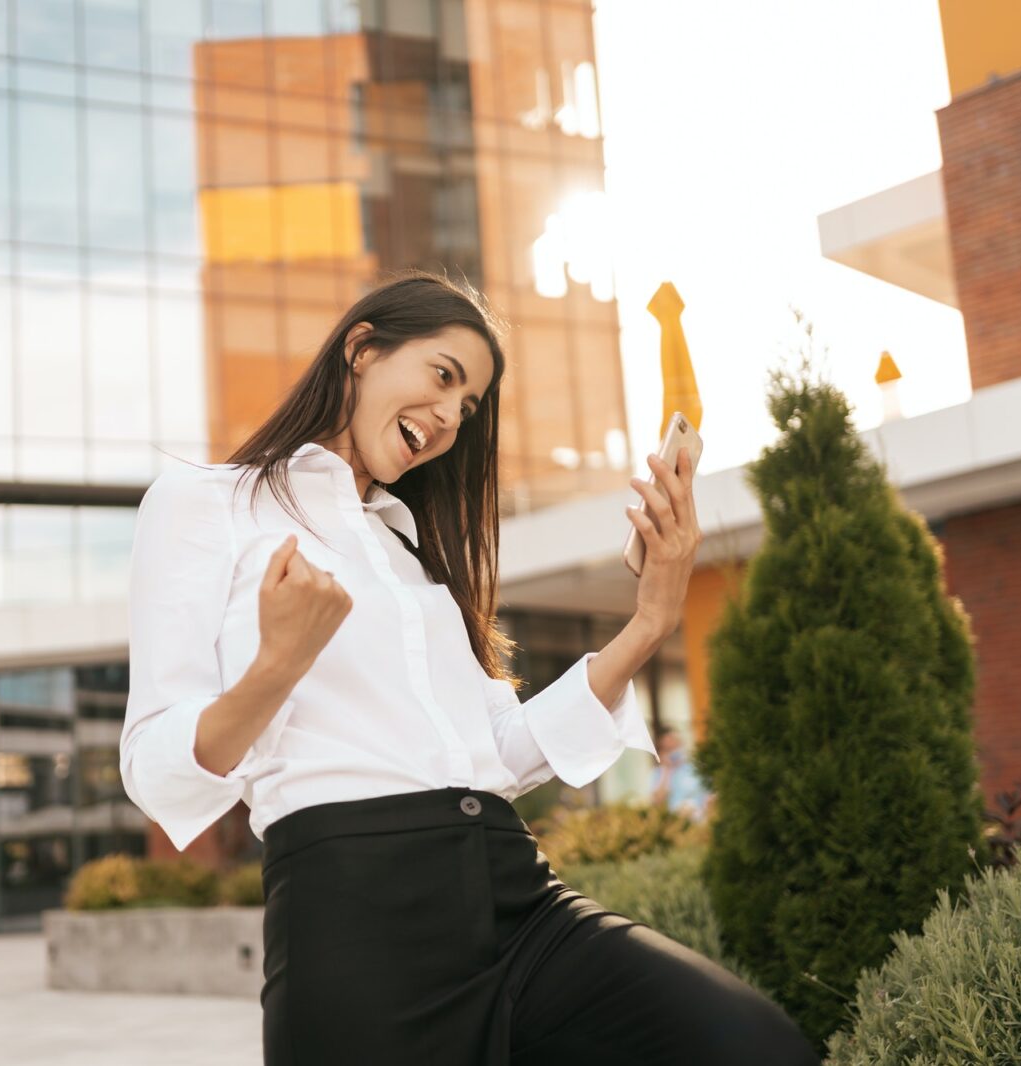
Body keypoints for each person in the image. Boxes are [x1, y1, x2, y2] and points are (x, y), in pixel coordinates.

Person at [119, 271, 819, 1065]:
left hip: (514, 896)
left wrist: (652, 620)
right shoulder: (205, 504)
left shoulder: (411, 554)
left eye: (469, 406)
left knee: (751, 1045)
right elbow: (155, 769)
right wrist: (276, 667)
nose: (451, 417)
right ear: (362, 348)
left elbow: (499, 752)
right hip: (357, 921)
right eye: (443, 377)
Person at [649, 728, 713, 824]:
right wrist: (666, 771)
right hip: (675, 824)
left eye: (675, 745)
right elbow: (657, 802)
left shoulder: (696, 767)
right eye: (668, 748)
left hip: (700, 821)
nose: (673, 750)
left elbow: (710, 793)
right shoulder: (658, 774)